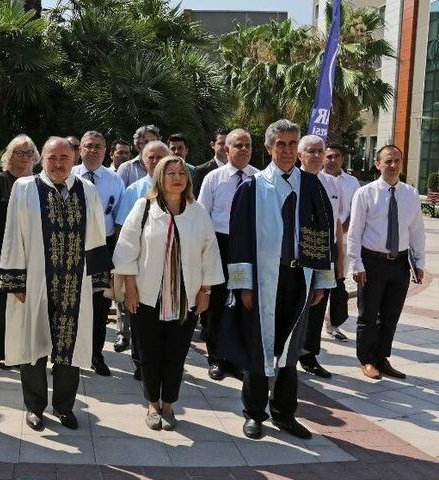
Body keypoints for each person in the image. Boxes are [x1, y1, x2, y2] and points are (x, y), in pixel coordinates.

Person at [224, 119, 335, 440]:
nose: (287, 150)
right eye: (280, 144)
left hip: (301, 277)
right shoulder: (253, 187)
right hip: (263, 280)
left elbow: (323, 235)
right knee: (260, 346)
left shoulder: (313, 186)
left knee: (291, 349)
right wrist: (243, 284)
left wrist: (321, 281)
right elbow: (240, 239)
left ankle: (285, 413)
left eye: (291, 144)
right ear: (269, 148)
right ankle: (254, 412)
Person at [0, 137, 111, 432]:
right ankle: (34, 407)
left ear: (73, 158)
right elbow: (12, 237)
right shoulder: (24, 188)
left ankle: (64, 406)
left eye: (64, 157)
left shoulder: (87, 190)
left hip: (75, 285)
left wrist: (98, 281)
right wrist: (15, 281)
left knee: (70, 348)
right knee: (33, 345)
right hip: (37, 282)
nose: (59, 163)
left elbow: (98, 235)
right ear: (42, 159)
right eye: (52, 157)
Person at [114, 155, 223, 431]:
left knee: (176, 354)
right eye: (170, 173)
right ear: (159, 178)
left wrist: (205, 291)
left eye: (182, 173)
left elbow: (209, 253)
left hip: (185, 299)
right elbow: (127, 249)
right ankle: (152, 403)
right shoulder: (144, 208)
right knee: (150, 353)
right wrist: (129, 289)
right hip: (148, 297)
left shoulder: (196, 212)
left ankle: (169, 405)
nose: (177, 178)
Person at [348, 144, 425, 380]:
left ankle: (382, 357)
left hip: (399, 264)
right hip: (372, 262)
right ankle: (367, 360)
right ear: (378, 164)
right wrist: (356, 265)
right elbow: (354, 232)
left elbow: (417, 231)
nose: (393, 165)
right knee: (368, 315)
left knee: (391, 315)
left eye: (397, 161)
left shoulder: (410, 194)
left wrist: (419, 262)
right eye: (388, 161)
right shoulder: (365, 193)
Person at [196, 128, 258, 381]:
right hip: (219, 245)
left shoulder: (259, 178)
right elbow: (202, 215)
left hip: (248, 248)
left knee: (244, 303)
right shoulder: (214, 178)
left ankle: (237, 358)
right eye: (238, 145)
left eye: (247, 145)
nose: (243, 149)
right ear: (226, 149)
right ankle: (216, 358)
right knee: (217, 304)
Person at [113, 141, 171, 377]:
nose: (155, 162)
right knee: (140, 319)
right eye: (151, 157)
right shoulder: (134, 191)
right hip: (141, 267)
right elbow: (121, 231)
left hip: (170, 269)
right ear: (143, 160)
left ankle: (162, 362)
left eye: (160, 157)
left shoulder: (179, 189)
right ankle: (141, 363)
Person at [71, 131, 124, 376]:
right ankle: (67, 353)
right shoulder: (69, 175)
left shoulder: (115, 180)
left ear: (106, 151)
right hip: (71, 246)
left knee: (100, 306)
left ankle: (95, 354)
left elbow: (119, 220)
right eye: (88, 146)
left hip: (102, 248)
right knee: (70, 302)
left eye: (98, 146)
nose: (93, 150)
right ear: (79, 150)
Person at [0, 134, 40, 370]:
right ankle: (5, 352)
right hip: (3, 250)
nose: (26, 157)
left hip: (33, 252)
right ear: (10, 155)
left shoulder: (39, 183)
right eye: (20, 152)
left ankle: (27, 351)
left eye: (29, 153)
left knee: (30, 302)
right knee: (6, 302)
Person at [297, 135, 344, 379]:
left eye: (320, 151)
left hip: (324, 254)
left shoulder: (331, 184)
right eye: (311, 151)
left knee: (318, 305)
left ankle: (309, 355)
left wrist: (340, 260)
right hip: (296, 256)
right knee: (294, 306)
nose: (316, 155)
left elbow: (337, 224)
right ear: (300, 155)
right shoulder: (291, 180)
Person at [322, 143, 361, 341]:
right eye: (328, 156)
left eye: (336, 156)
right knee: (318, 283)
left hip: (344, 241)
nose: (332, 160)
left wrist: (342, 229)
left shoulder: (352, 182)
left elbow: (357, 209)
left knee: (338, 282)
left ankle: (333, 324)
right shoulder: (317, 178)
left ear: (342, 158)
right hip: (321, 241)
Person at [193, 128, 229, 198]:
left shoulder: (238, 170)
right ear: (212, 145)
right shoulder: (201, 171)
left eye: (228, 144)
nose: (225, 147)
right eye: (221, 143)